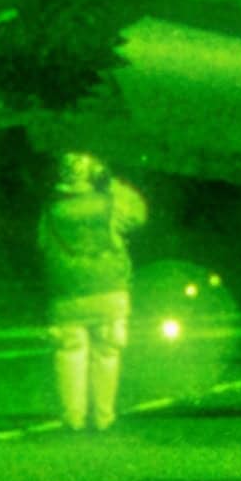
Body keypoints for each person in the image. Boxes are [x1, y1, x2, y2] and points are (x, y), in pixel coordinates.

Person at [38, 152, 147, 432]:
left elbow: (42, 245)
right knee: (107, 353)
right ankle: (103, 417)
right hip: (109, 290)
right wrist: (110, 182)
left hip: (66, 293)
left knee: (69, 354)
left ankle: (73, 419)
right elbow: (139, 213)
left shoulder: (51, 210)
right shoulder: (110, 205)